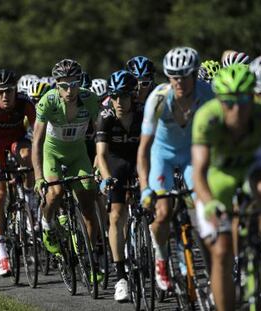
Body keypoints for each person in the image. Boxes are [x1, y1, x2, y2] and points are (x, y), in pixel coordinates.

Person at [192, 64, 261, 311]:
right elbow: (199, 172)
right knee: (222, 253)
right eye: (229, 101)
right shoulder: (207, 118)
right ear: (219, 100)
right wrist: (210, 202)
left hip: (251, 164)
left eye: (244, 99)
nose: (237, 108)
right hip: (217, 175)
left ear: (252, 96)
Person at [138, 47, 214, 290]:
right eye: (173, 76)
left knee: (202, 211)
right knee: (162, 213)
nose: (179, 81)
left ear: (195, 73)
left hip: (193, 154)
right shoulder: (158, 99)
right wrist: (145, 188)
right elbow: (143, 150)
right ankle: (162, 258)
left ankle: (214, 269)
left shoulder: (208, 94)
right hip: (163, 155)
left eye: (184, 75)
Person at [32, 59, 99, 258]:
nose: (69, 91)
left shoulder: (90, 99)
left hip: (78, 154)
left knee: (88, 205)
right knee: (56, 191)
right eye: (63, 86)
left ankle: (90, 257)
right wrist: (37, 177)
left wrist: (99, 163)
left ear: (80, 83)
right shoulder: (48, 100)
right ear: (57, 86)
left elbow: (100, 134)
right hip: (52, 153)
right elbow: (37, 141)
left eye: (74, 84)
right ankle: (47, 223)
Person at [0, 68, 36, 276]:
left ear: (16, 90)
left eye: (9, 91)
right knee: (0, 192)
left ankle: (31, 203)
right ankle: (3, 253)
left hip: (16, 141)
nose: (5, 96)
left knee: (28, 154)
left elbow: (37, 131)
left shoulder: (25, 102)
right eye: (0, 92)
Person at [96, 70, 142, 301]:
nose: (118, 102)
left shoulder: (143, 114)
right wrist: (105, 178)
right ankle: (120, 276)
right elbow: (101, 155)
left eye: (123, 96)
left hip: (139, 158)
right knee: (116, 215)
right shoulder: (105, 116)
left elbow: (153, 148)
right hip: (115, 162)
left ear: (133, 96)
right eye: (114, 96)